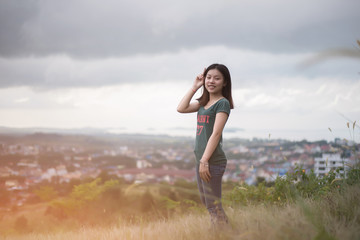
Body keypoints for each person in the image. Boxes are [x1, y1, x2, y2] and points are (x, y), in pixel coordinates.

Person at [177, 63, 234, 226]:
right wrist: (195, 86)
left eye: (217, 78)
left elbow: (216, 133)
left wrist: (205, 161)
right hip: (201, 160)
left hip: (211, 161)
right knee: (208, 203)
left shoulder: (222, 103)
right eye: (208, 77)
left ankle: (222, 233)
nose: (211, 81)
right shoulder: (204, 103)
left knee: (213, 205)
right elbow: (181, 108)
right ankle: (223, 232)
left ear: (224, 82)